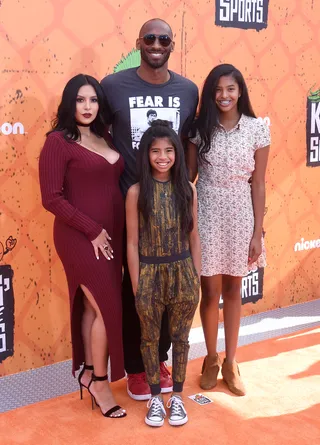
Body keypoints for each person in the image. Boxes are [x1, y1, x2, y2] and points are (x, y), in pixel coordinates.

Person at [101, 18, 199, 401]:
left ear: (172, 45)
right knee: (135, 290)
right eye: (151, 38)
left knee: (169, 288)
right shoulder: (113, 86)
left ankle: (157, 359)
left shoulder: (188, 89)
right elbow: (97, 132)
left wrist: (185, 183)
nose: (157, 44)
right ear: (139, 42)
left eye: (164, 39)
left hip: (172, 203)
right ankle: (136, 370)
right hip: (132, 201)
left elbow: (189, 139)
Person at [39, 74, 126, 418]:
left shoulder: (105, 136)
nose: (87, 107)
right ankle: (100, 383)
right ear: (69, 103)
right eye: (80, 100)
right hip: (80, 237)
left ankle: (90, 372)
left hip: (113, 237)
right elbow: (51, 198)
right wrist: (92, 229)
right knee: (106, 306)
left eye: (93, 100)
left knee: (93, 308)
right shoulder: (58, 142)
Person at [187, 64, 270, 396]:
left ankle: (232, 362)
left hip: (241, 215)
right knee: (209, 293)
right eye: (218, 89)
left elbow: (259, 184)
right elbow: (190, 178)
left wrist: (257, 232)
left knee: (234, 292)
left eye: (230, 89)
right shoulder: (199, 130)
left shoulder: (257, 129)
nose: (224, 95)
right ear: (211, 93)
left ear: (240, 92)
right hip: (206, 213)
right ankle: (210, 358)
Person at [126, 120, 201, 426]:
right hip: (149, 274)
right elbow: (131, 243)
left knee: (181, 339)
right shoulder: (135, 192)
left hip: (183, 270)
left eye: (169, 150)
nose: (162, 156)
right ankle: (155, 399)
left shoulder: (188, 189)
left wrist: (195, 277)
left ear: (177, 154)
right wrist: (136, 285)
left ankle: (178, 398)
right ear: (146, 154)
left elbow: (194, 237)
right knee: (149, 339)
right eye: (155, 150)